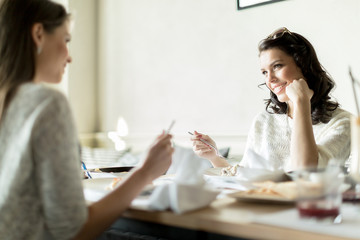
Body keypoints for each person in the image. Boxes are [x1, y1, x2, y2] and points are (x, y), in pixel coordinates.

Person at [0, 0, 173, 239]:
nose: (69, 57)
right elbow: (74, 231)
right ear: (38, 34)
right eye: (66, 40)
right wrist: (144, 172)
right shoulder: (47, 104)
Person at [191, 27, 351, 172]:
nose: (270, 79)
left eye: (277, 66)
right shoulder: (264, 121)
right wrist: (214, 156)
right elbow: (245, 175)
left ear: (303, 65)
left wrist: (301, 102)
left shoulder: (343, 122)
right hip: (260, 203)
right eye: (264, 72)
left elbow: (304, 172)